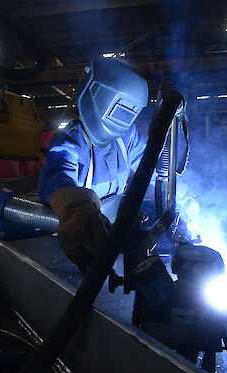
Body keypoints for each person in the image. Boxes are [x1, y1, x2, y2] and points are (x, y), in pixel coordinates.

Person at [38, 58, 149, 273]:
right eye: (121, 110)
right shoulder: (71, 140)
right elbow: (57, 177)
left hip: (113, 233)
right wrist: (75, 209)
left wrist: (183, 192)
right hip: (80, 241)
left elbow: (150, 164)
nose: (124, 119)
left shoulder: (127, 137)